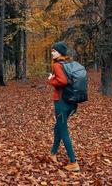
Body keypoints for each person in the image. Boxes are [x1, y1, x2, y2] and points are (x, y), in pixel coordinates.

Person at [48, 41, 80, 172]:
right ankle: (53, 153)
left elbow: (62, 81)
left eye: (54, 51)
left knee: (63, 130)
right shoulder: (68, 64)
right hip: (70, 102)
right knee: (58, 126)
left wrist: (50, 79)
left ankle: (73, 162)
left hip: (61, 102)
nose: (52, 53)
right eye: (52, 50)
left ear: (60, 52)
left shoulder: (57, 65)